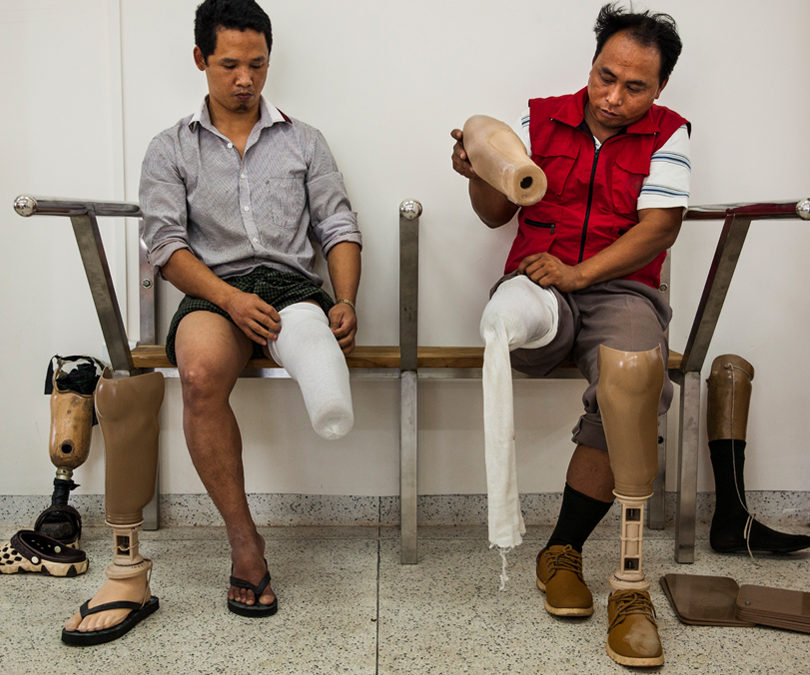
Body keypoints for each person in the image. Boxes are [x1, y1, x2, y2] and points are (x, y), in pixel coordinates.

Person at [63, 0, 361, 641]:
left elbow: (338, 224)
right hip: (214, 289)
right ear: (201, 60)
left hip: (292, 285)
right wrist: (228, 300)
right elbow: (167, 248)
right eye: (230, 64)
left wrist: (345, 300)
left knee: (306, 325)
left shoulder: (305, 140)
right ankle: (244, 543)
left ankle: (317, 360)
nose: (246, 78)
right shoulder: (169, 147)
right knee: (197, 374)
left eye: (257, 64)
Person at [451, 3, 689, 666]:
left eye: (634, 86)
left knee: (634, 380)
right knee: (512, 320)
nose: (613, 97)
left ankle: (606, 570)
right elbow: (499, 211)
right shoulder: (539, 118)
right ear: (591, 65)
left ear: (660, 89)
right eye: (604, 76)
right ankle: (558, 551)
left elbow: (658, 229)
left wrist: (581, 272)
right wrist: (480, 173)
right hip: (539, 284)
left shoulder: (670, 135)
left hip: (619, 287)